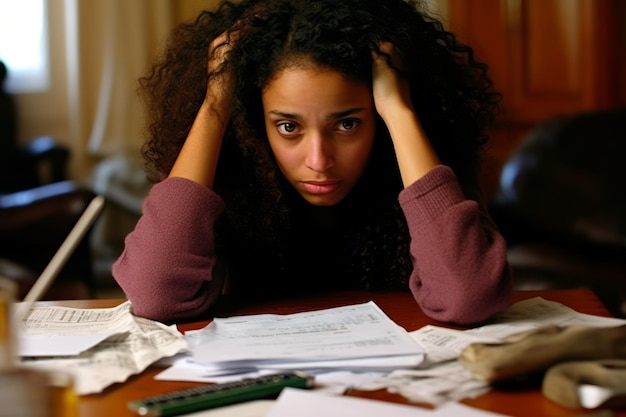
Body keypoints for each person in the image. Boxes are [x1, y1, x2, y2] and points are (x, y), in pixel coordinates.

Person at [113, 0, 512, 325]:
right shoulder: (233, 175)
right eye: (288, 126)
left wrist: (401, 113)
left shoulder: (425, 161)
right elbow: (156, 295)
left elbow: (468, 296)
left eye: (347, 123)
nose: (319, 160)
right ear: (252, 123)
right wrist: (217, 104)